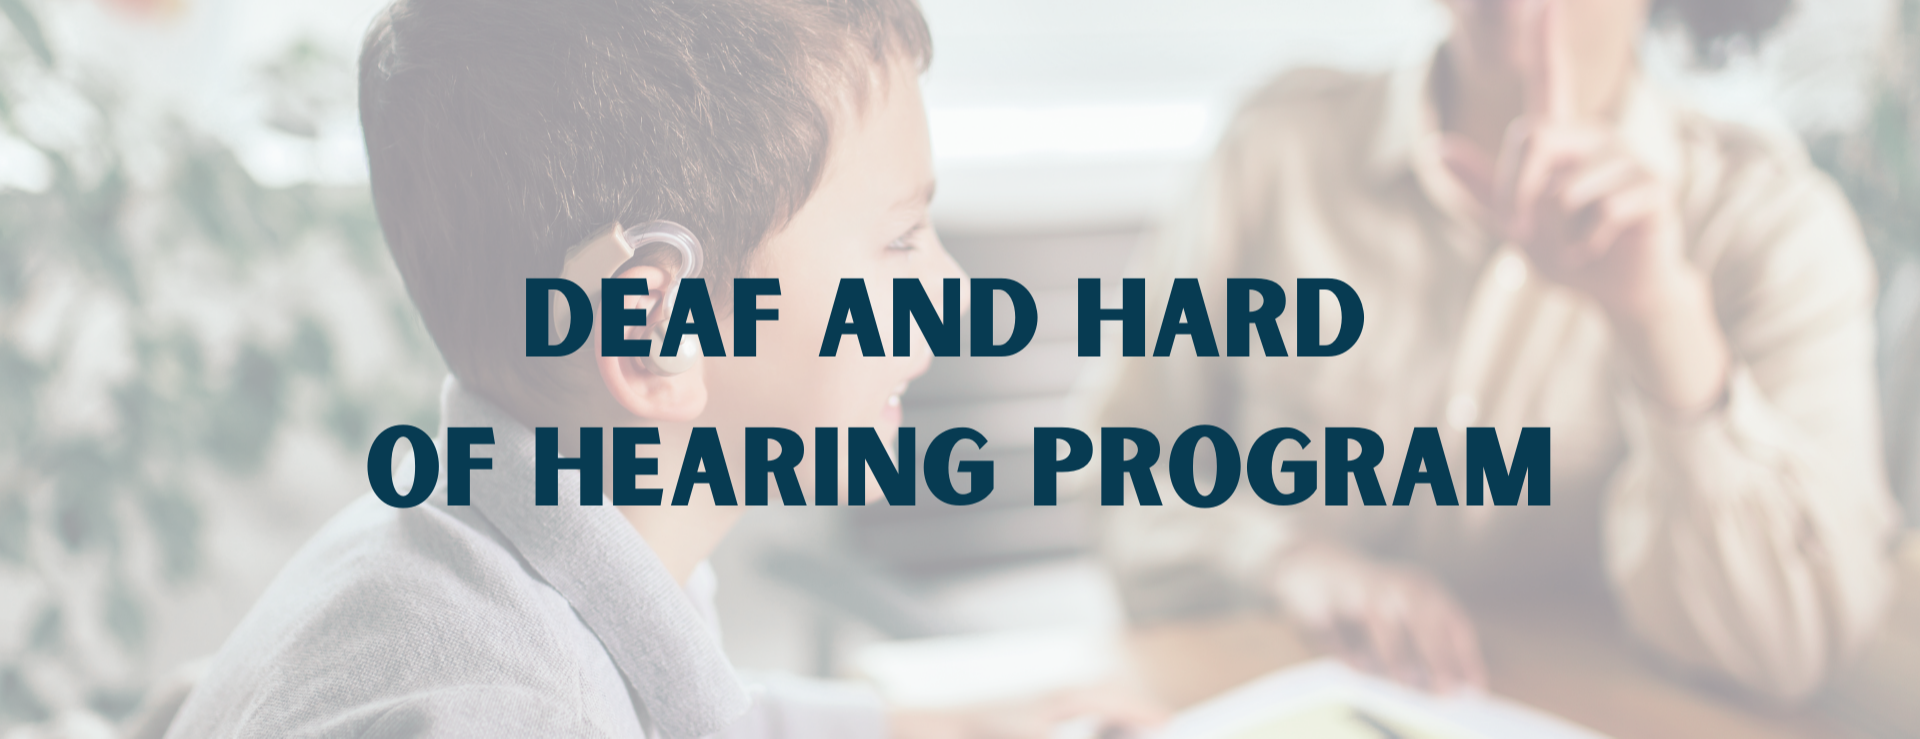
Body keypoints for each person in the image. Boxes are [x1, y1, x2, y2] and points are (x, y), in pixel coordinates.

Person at [160, 0, 1159, 736]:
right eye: (899, 244)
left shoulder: (464, 545)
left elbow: (697, 710)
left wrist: (941, 727)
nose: (951, 289)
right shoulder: (509, 709)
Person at [1085, 0, 1901, 704]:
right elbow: (1114, 464)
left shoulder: (1771, 227)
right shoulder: (1274, 156)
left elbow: (1791, 650)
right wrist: (1283, 560)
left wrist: (1658, 318)